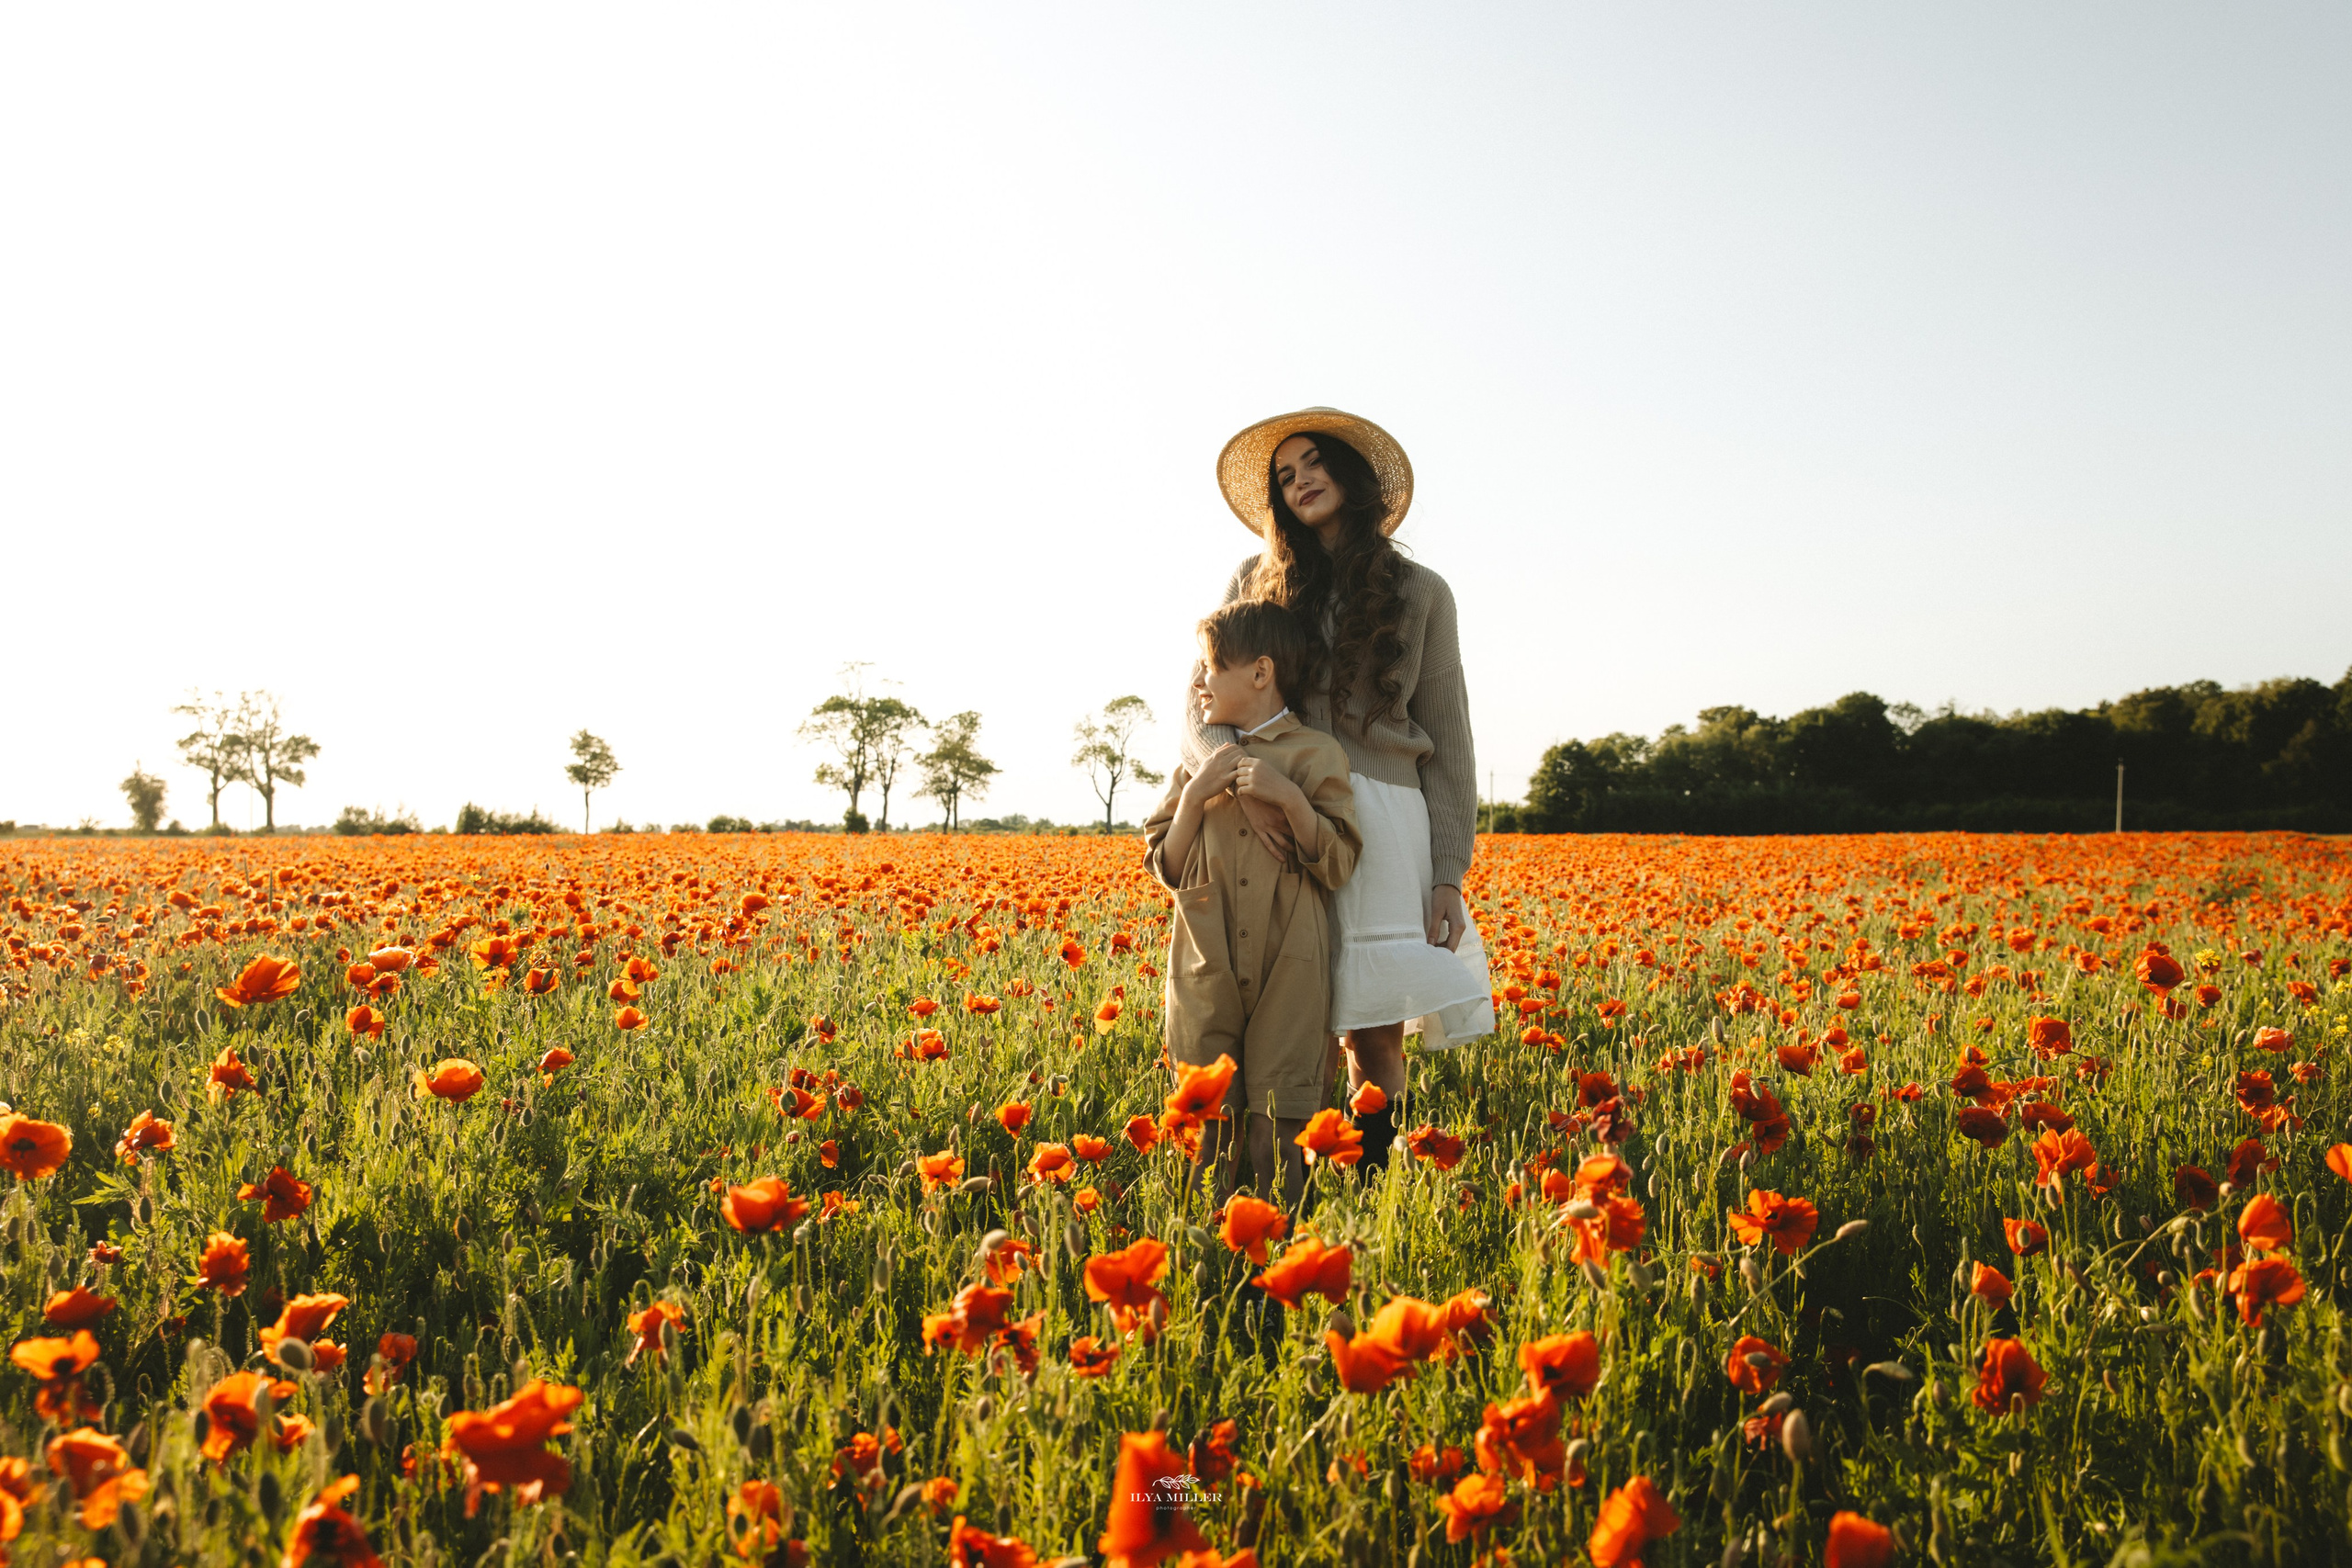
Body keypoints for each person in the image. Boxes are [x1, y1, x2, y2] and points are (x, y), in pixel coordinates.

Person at [1181, 407, 1494, 1176]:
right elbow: (1198, 704)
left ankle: (1368, 1177)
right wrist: (1241, 783)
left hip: (1387, 826)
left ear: (1354, 479)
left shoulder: (1423, 592)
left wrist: (1450, 871)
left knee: (1373, 1031)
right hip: (1267, 810)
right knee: (1291, 1019)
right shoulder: (1251, 583)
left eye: (1314, 463)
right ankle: (1287, 1182)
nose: (1300, 481)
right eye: (1284, 476)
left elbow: (1449, 741)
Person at [1145, 599, 1361, 1209]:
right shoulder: (1201, 760)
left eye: (1211, 668)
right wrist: (1195, 799)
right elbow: (1164, 860)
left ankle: (1277, 1244)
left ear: (1261, 673)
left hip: (1288, 961)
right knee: (1206, 1108)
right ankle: (1205, 1252)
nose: (1198, 684)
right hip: (1203, 959)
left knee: (1281, 1110)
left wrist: (1291, 800)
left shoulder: (1317, 755)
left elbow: (1341, 861)